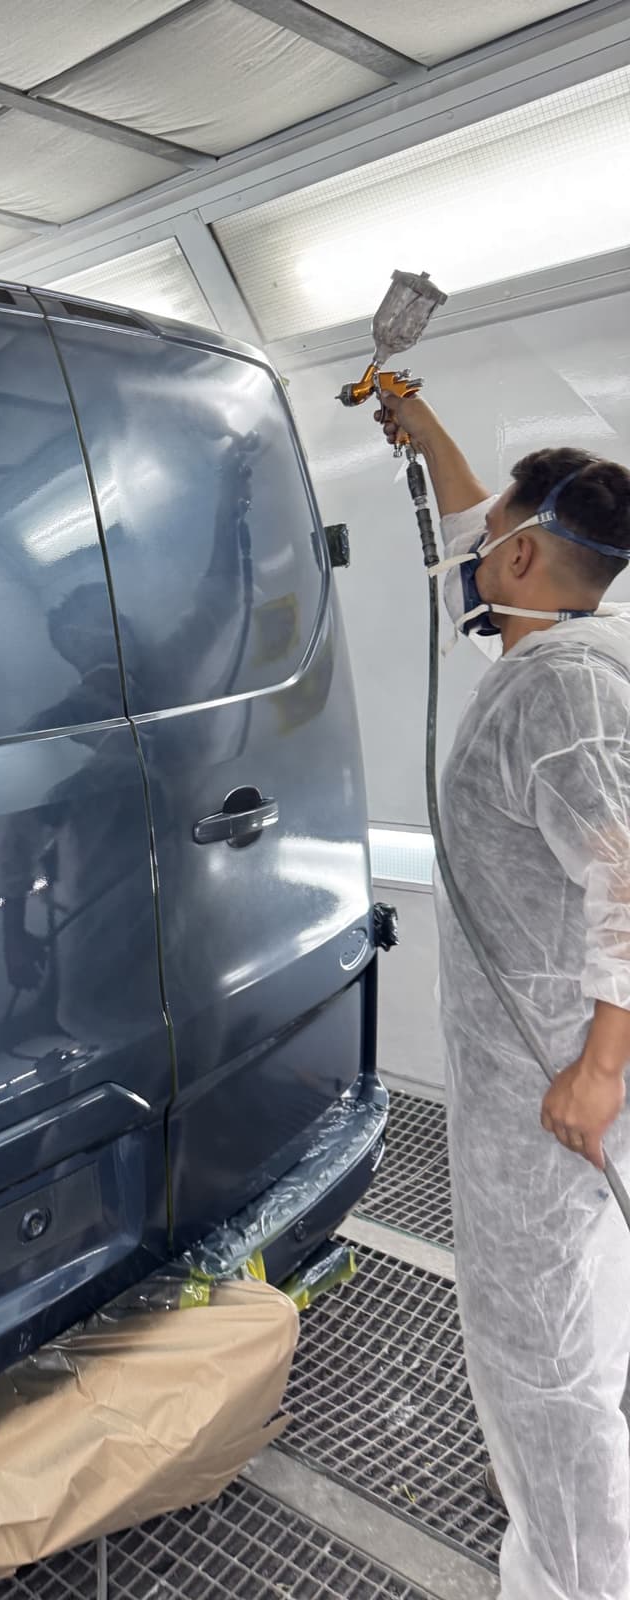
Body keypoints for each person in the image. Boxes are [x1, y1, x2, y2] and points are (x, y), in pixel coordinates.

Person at [377, 389, 630, 1600]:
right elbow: (480, 533)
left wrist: (597, 1072)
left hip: (555, 1081)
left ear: (527, 555)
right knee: (582, 1304)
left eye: (492, 539)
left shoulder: (557, 692)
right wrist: (415, 425)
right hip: (556, 1065)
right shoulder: (563, 649)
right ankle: (575, 1499)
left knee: (536, 1347)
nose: (470, 555)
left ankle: (578, 1575)